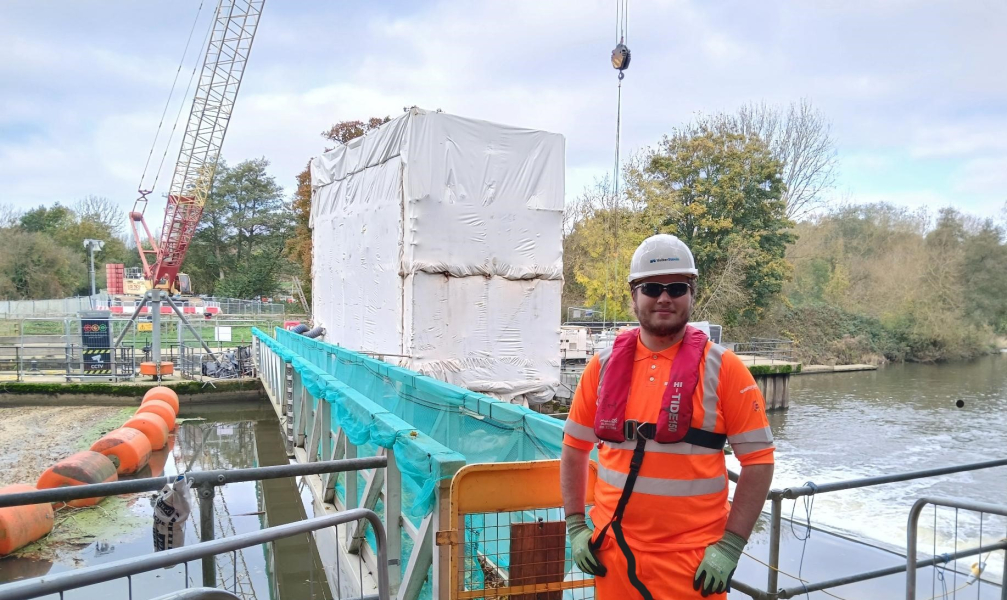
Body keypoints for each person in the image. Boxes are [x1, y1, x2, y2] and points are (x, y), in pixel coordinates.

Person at [560, 234, 775, 599]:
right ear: (634, 295)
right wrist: (576, 524)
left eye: (676, 287)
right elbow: (574, 448)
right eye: (651, 288)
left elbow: (758, 461)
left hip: (693, 567)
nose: (664, 297)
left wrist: (730, 546)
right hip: (613, 556)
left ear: (692, 293)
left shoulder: (724, 370)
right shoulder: (602, 367)